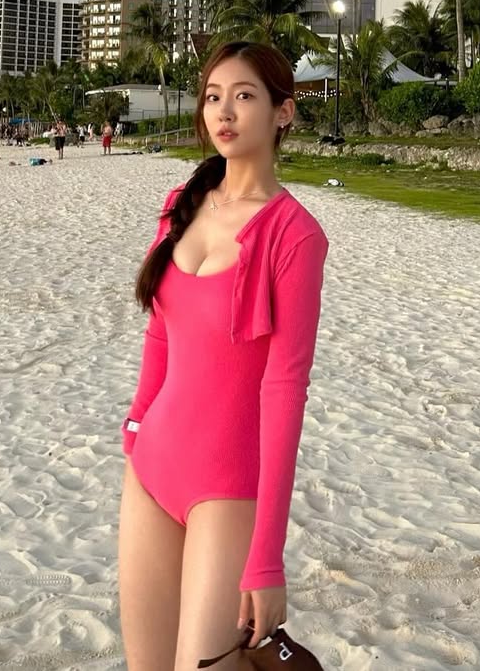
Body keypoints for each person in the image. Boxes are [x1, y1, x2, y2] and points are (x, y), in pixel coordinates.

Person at [118, 41, 329, 668]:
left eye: (244, 96)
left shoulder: (295, 235)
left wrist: (267, 558)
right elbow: (161, 330)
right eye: (213, 97)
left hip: (229, 486)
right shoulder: (181, 204)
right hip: (151, 468)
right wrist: (135, 424)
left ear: (283, 112)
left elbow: (285, 391)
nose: (224, 112)